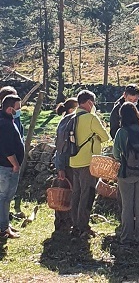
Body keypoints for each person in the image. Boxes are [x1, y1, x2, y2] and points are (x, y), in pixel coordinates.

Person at [70, 90, 109, 238]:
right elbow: (105, 136)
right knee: (88, 194)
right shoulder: (91, 118)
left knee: (76, 193)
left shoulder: (71, 118)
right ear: (89, 102)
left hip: (73, 160)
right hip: (88, 161)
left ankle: (75, 223)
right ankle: (83, 226)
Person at [113, 102, 139, 249]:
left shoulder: (121, 132)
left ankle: (126, 238)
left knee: (127, 206)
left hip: (126, 173)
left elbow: (116, 154)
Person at [0, 95, 24, 240]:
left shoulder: (6, 121)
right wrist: (15, 164)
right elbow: (7, 148)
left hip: (5, 167)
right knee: (4, 198)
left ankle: (5, 224)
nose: (19, 111)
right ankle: (3, 229)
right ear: (10, 109)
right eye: (18, 108)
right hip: (6, 167)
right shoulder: (6, 125)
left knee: (3, 198)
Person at [53, 97, 78, 233]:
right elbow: (61, 147)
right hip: (67, 164)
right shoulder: (68, 122)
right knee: (64, 193)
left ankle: (66, 221)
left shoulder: (67, 120)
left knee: (67, 192)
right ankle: (62, 222)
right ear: (71, 109)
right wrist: (61, 167)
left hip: (67, 163)